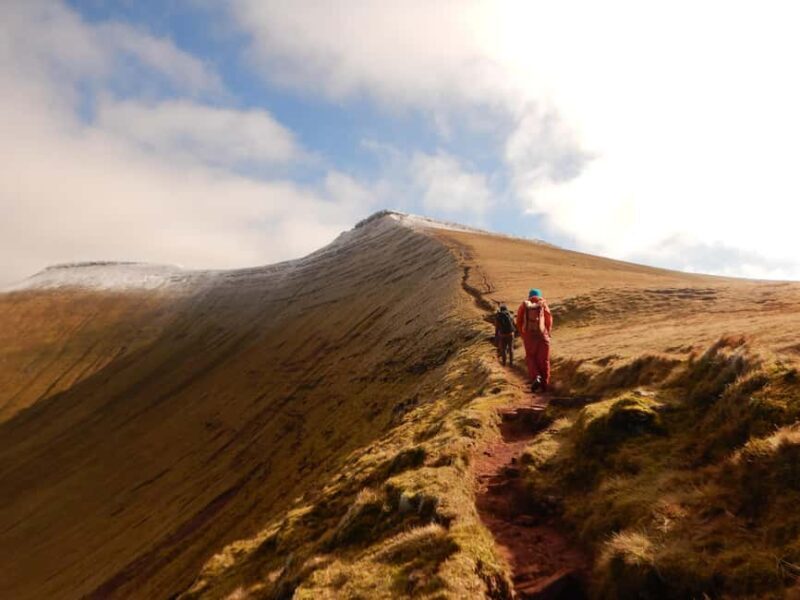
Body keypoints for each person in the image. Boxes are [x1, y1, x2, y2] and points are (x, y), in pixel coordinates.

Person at [515, 288, 553, 393]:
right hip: (542, 335)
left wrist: (523, 335)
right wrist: (548, 333)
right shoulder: (543, 304)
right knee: (544, 360)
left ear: (529, 296)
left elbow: (518, 322)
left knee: (531, 357)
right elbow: (549, 320)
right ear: (540, 295)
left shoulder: (524, 305)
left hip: (529, 336)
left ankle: (536, 377)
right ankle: (545, 385)